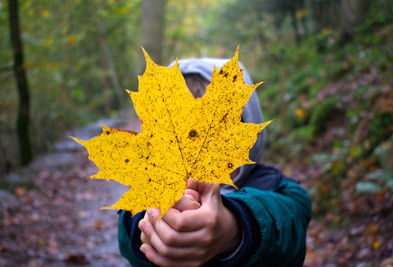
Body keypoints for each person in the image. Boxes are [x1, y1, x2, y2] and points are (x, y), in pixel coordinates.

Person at [117, 58, 312, 267]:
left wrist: (235, 228)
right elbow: (127, 233)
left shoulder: (284, 192)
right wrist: (145, 226)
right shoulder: (153, 190)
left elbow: (288, 227)